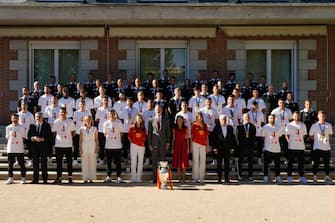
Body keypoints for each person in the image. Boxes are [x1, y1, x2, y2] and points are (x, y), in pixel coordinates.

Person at [147, 105, 171, 183]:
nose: (158, 110)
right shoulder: (151, 120)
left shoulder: (166, 119)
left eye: (160, 109)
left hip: (163, 144)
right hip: (154, 144)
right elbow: (149, 133)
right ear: (155, 110)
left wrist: (168, 143)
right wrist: (149, 144)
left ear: (162, 110)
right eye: (157, 109)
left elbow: (168, 132)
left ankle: (162, 179)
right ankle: (155, 178)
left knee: (162, 162)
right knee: (154, 162)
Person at [28, 112, 53, 184]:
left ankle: (45, 179)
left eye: (39, 116)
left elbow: (50, 137)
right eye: (36, 117)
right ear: (35, 118)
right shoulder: (32, 126)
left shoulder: (47, 125)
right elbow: (29, 137)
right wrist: (33, 138)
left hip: (44, 147)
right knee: (35, 164)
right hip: (34, 148)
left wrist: (43, 139)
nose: (38, 118)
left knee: (44, 164)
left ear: (42, 117)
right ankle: (35, 179)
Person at [52, 107, 76, 184]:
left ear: (66, 113)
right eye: (61, 112)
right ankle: (59, 177)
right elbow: (54, 133)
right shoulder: (56, 122)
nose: (62, 113)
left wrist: (67, 138)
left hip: (68, 145)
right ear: (59, 113)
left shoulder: (70, 121)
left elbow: (73, 133)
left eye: (64, 112)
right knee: (59, 163)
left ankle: (70, 177)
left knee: (69, 162)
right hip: (59, 145)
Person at [309, 110, 333, 184]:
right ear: (318, 117)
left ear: (325, 117)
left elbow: (330, 134)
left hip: (326, 147)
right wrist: (317, 140)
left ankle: (327, 177)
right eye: (320, 116)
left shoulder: (328, 125)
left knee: (327, 163)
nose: (322, 117)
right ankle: (315, 177)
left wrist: (325, 139)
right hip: (317, 147)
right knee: (316, 163)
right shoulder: (314, 125)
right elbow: (311, 135)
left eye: (323, 116)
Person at [212, 114, 236, 184]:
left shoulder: (230, 128)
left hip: (227, 148)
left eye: (225, 119)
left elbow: (232, 138)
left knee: (227, 164)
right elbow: (214, 139)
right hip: (219, 148)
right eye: (222, 119)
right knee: (219, 164)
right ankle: (219, 178)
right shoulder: (216, 128)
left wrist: (232, 147)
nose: (224, 121)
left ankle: (226, 178)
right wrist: (214, 148)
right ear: (220, 120)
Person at [285, 111, 308, 184]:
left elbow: (304, 135)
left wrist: (300, 141)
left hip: (300, 147)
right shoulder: (289, 125)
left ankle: (301, 177)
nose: (296, 117)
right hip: (292, 147)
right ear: (293, 117)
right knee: (290, 163)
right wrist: (290, 142)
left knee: (301, 163)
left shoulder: (303, 125)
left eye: (298, 116)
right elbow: (287, 135)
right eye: (295, 116)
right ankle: (289, 177)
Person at [103, 109, 124, 184]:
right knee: (108, 163)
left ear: (115, 114)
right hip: (108, 146)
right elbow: (105, 134)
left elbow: (121, 133)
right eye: (110, 114)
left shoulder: (119, 122)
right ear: (108, 115)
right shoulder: (106, 123)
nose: (111, 115)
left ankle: (118, 177)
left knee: (118, 163)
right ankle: (108, 176)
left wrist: (115, 139)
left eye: (112, 114)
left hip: (117, 146)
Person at [5, 113, 27, 185]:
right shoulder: (8, 127)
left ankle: (23, 178)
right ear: (11, 119)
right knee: (10, 164)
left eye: (16, 118)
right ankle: (10, 178)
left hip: (19, 149)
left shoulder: (22, 127)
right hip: (11, 148)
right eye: (13, 118)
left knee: (21, 164)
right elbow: (7, 137)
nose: (14, 119)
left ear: (18, 119)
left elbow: (23, 137)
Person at [261, 114, 283, 184]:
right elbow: (263, 137)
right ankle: (265, 176)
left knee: (277, 164)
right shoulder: (265, 127)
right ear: (268, 119)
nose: (272, 120)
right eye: (270, 118)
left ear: (275, 119)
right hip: (268, 148)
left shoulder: (278, 127)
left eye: (273, 118)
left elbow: (279, 136)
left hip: (276, 148)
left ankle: (278, 177)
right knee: (266, 164)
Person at [237, 113, 256, 182]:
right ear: (243, 118)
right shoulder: (239, 127)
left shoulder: (252, 126)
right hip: (241, 147)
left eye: (248, 117)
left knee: (250, 161)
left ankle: (250, 176)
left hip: (250, 147)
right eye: (245, 117)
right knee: (240, 161)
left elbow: (254, 137)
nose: (247, 118)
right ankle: (240, 175)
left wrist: (252, 145)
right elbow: (237, 137)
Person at [191, 112, 209, 183]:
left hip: (203, 144)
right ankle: (195, 178)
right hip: (195, 143)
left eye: (201, 116)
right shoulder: (194, 125)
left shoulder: (205, 125)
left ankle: (201, 178)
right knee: (195, 161)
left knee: (202, 161)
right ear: (196, 117)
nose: (200, 118)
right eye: (198, 116)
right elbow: (191, 136)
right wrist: (190, 147)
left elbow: (207, 136)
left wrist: (207, 146)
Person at [79, 115, 99, 183]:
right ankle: (85, 178)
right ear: (84, 121)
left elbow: (96, 139)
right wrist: (80, 149)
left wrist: (96, 148)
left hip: (92, 147)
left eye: (89, 119)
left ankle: (91, 178)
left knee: (92, 163)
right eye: (86, 120)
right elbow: (81, 140)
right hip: (84, 147)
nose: (88, 121)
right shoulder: (82, 129)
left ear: (91, 120)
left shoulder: (95, 128)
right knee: (85, 163)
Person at [128, 114, 147, 183]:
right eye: (138, 118)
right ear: (135, 119)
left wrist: (141, 142)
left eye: (140, 118)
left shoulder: (143, 127)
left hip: (141, 146)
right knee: (133, 162)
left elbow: (145, 136)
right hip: (133, 145)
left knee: (140, 162)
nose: (139, 120)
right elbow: (129, 137)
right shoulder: (132, 127)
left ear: (142, 120)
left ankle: (139, 178)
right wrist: (133, 143)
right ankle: (133, 177)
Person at [73, 100, 92, 166]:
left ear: (85, 105)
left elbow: (90, 122)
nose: (82, 106)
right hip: (78, 132)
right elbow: (74, 122)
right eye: (80, 104)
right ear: (79, 105)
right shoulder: (75, 113)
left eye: (83, 104)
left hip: (85, 132)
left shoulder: (87, 112)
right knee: (76, 146)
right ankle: (75, 160)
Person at [171, 116, 189, 183]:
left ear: (183, 121)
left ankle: (184, 178)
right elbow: (173, 139)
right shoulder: (174, 129)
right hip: (177, 145)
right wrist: (172, 148)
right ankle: (179, 178)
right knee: (178, 162)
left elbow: (187, 139)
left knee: (183, 162)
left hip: (183, 145)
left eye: (180, 120)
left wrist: (188, 148)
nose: (179, 121)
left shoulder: (186, 128)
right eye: (178, 120)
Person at [18, 102, 35, 167]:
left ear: (27, 106)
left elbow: (32, 126)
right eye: (22, 105)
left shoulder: (30, 115)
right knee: (19, 148)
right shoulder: (18, 114)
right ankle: (18, 160)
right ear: (21, 106)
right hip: (20, 135)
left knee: (30, 147)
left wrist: (30, 135)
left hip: (28, 134)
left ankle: (30, 160)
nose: (24, 106)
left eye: (25, 105)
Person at [248, 101, 264, 166]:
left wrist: (263, 133)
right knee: (250, 147)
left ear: (257, 106)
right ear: (251, 106)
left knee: (259, 146)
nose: (254, 107)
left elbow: (262, 123)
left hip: (259, 132)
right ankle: (250, 159)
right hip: (251, 132)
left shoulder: (260, 113)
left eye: (256, 105)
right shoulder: (248, 113)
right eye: (253, 105)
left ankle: (259, 159)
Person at [95, 96, 110, 165]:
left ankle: (109, 160)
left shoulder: (111, 109)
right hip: (101, 130)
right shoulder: (99, 109)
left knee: (109, 145)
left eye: (106, 100)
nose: (105, 102)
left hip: (109, 130)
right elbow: (97, 120)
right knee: (101, 146)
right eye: (104, 100)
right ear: (102, 102)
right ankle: (101, 159)